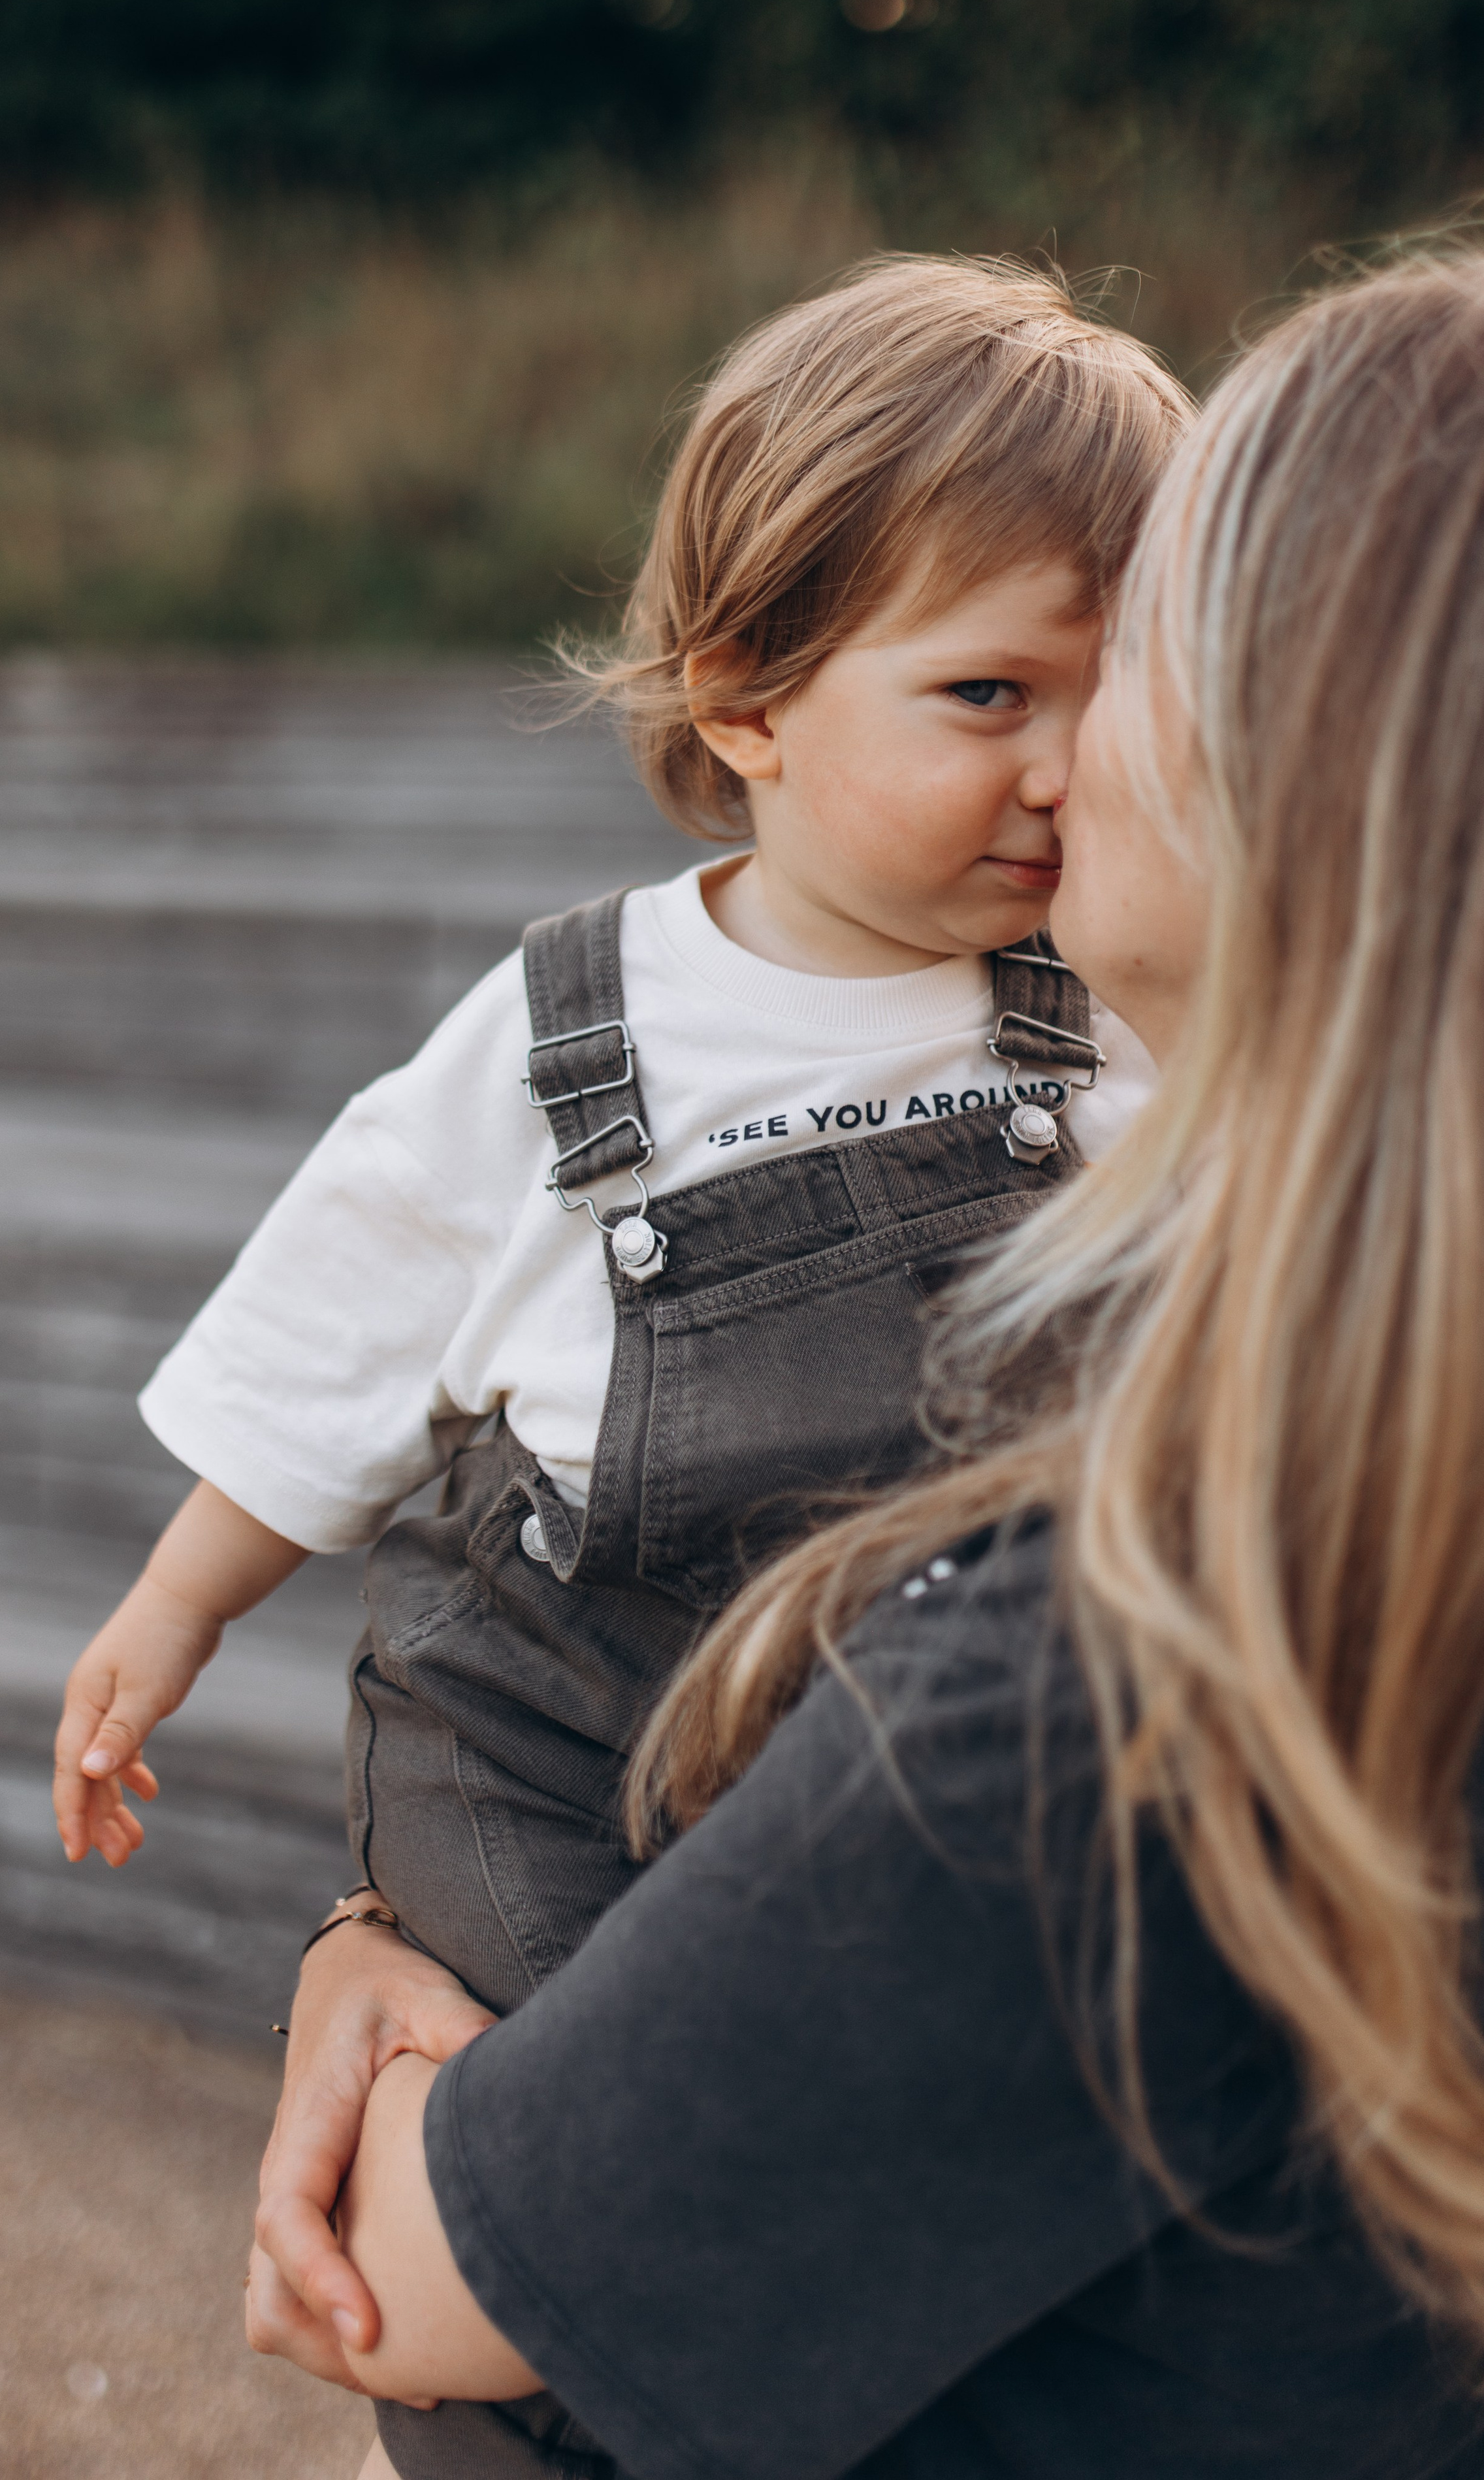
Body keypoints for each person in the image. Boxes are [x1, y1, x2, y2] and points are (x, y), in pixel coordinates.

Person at [248, 248, 1484, 2480]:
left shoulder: (1138, 1677)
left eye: (1138, 655)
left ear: (1306, 769)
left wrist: (405, 2030)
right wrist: (384, 1907)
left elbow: (420, 2295)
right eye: (1005, 680)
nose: (1059, 745)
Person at [52, 257, 1184, 2475]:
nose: (1060, 772)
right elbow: (346, 1322)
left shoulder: (1099, 1028)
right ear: (752, 697)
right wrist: (171, 1614)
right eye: (985, 695)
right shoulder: (583, 1026)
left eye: (1110, 694)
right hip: (574, 1716)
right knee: (560, 2133)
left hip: (897, 1739)